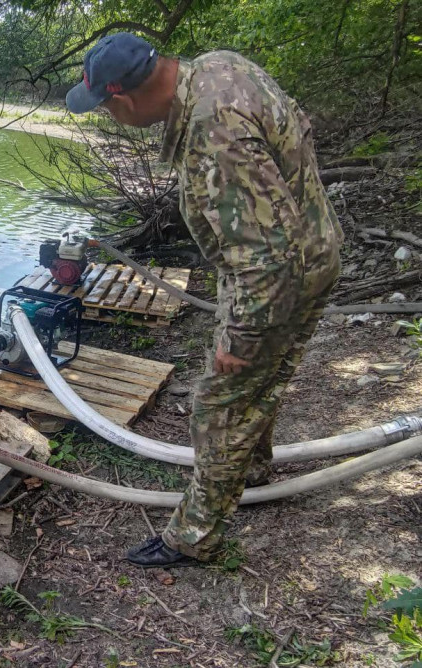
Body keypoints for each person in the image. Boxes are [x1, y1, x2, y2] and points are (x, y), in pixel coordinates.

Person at [65, 33, 343, 567]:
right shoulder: (218, 68)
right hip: (310, 249)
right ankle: (248, 470)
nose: (110, 117)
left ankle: (194, 535)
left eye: (106, 109)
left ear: (122, 99)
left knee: (218, 402)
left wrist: (239, 338)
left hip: (286, 274)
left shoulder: (213, 136)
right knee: (258, 383)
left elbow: (268, 257)